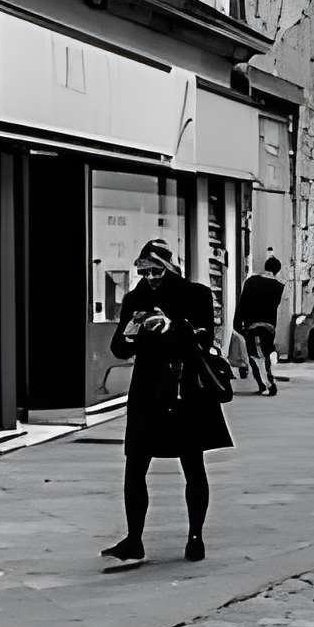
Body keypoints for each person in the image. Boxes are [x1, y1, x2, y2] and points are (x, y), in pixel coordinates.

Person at [102, 240, 231, 566]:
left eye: (156, 271)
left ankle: (195, 537)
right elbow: (119, 348)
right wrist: (132, 332)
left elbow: (203, 339)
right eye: (144, 272)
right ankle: (134, 540)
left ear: (171, 267)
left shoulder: (196, 294)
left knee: (192, 464)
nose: (150, 278)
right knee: (134, 468)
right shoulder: (135, 298)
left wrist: (170, 326)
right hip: (147, 391)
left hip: (185, 389)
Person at [234, 252, 284, 394]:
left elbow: (242, 303)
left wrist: (237, 323)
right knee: (265, 354)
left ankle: (264, 384)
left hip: (251, 324)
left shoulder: (251, 281)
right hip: (269, 326)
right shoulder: (279, 286)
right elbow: (275, 305)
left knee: (254, 356)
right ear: (277, 270)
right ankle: (266, 380)